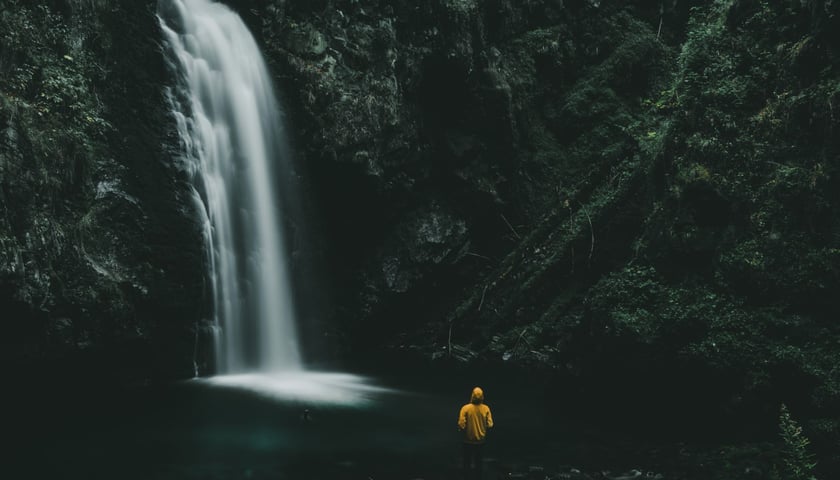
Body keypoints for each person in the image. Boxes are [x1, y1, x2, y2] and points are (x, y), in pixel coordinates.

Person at [458, 386, 494, 480]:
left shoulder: (465, 408)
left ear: (472, 395)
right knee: (479, 463)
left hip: (467, 441)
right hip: (481, 442)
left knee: (467, 463)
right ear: (482, 396)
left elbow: (461, 425)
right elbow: (490, 425)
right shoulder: (486, 409)